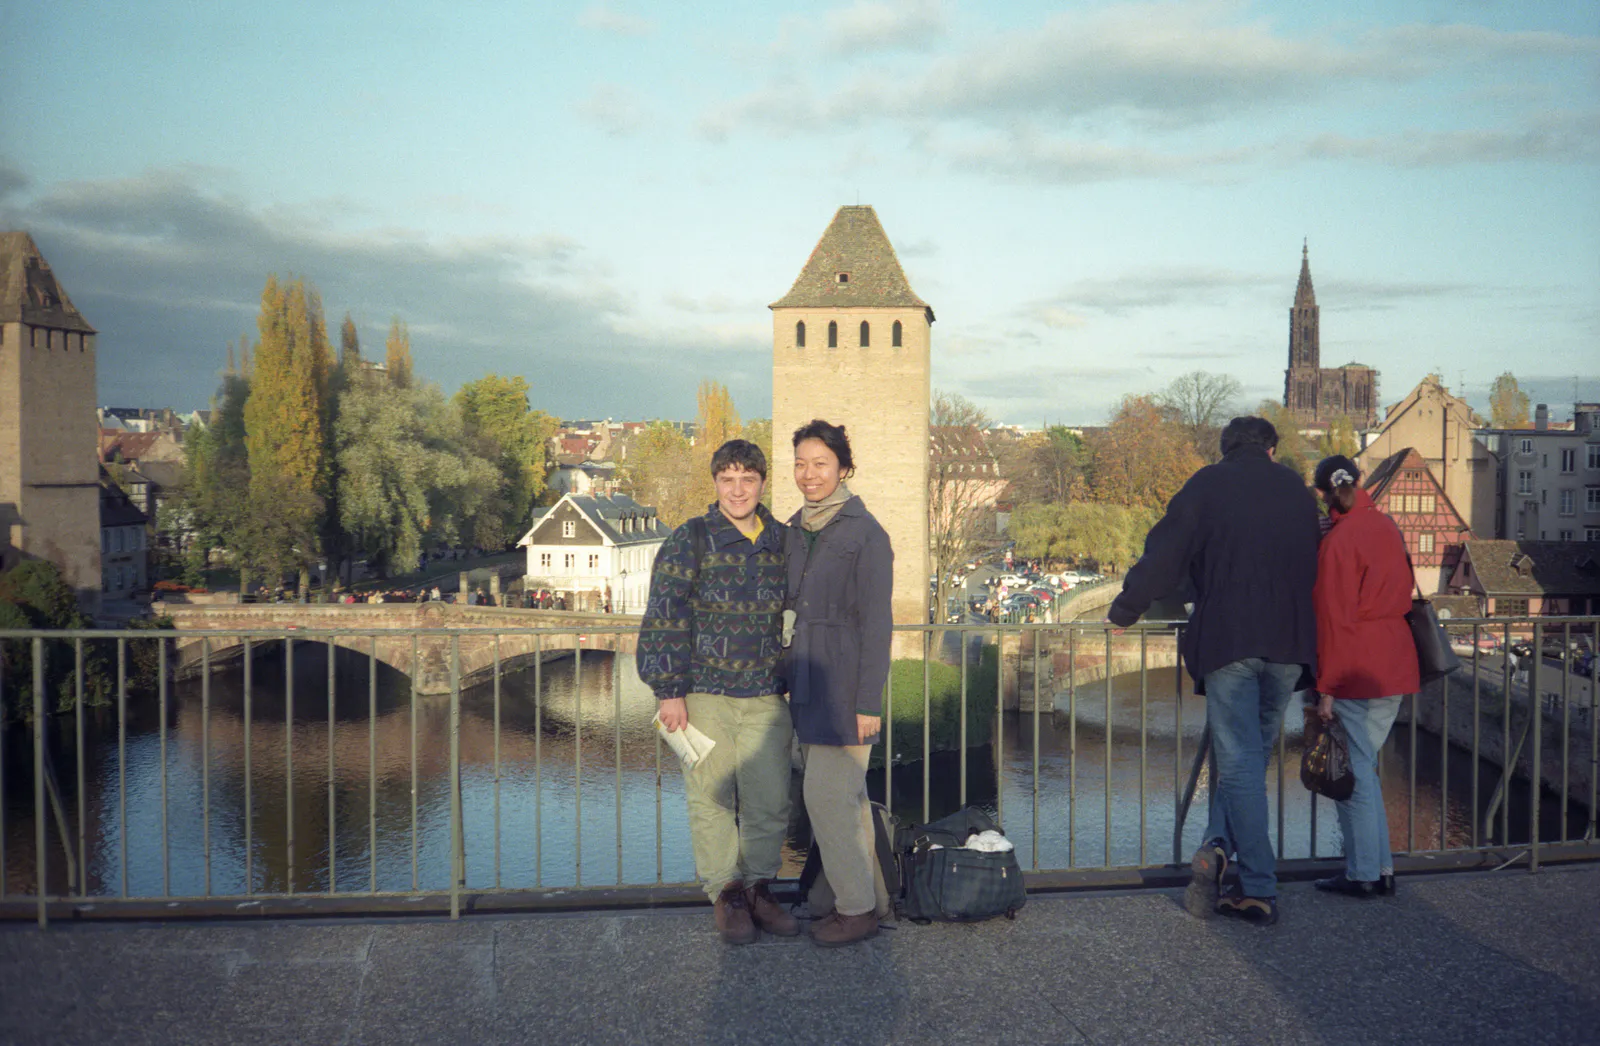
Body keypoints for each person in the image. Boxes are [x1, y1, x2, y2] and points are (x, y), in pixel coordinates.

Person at [1108, 416, 1320, 926]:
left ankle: (1259, 886)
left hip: (1230, 640)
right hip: (1290, 644)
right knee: (1251, 759)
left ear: (1225, 450)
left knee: (1239, 764)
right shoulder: (1296, 489)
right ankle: (1219, 847)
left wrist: (1125, 610)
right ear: (1272, 449)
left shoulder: (1209, 484)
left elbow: (1165, 553)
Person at [637, 439, 794, 945]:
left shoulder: (781, 541)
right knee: (711, 798)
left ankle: (758, 889)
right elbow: (664, 614)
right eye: (728, 480)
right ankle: (726, 894)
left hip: (766, 695)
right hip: (704, 691)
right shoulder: (692, 538)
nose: (738, 490)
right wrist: (668, 690)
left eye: (748, 479)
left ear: (762, 483)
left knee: (770, 800)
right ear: (715, 484)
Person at [782, 419, 894, 947]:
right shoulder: (795, 527)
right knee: (845, 799)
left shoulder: (865, 533)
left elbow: (878, 623)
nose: (809, 474)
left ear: (844, 468)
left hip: (845, 687)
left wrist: (869, 701)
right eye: (801, 463)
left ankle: (856, 909)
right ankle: (867, 901)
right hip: (806, 682)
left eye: (820, 463)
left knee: (827, 796)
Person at [1310, 455, 1417, 898]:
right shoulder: (1386, 525)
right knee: (1365, 769)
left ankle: (1365, 875)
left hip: (1357, 666)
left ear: (1325, 494)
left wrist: (1325, 688)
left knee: (1353, 776)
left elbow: (1333, 620)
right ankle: (1381, 870)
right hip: (1396, 660)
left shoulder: (1339, 542)